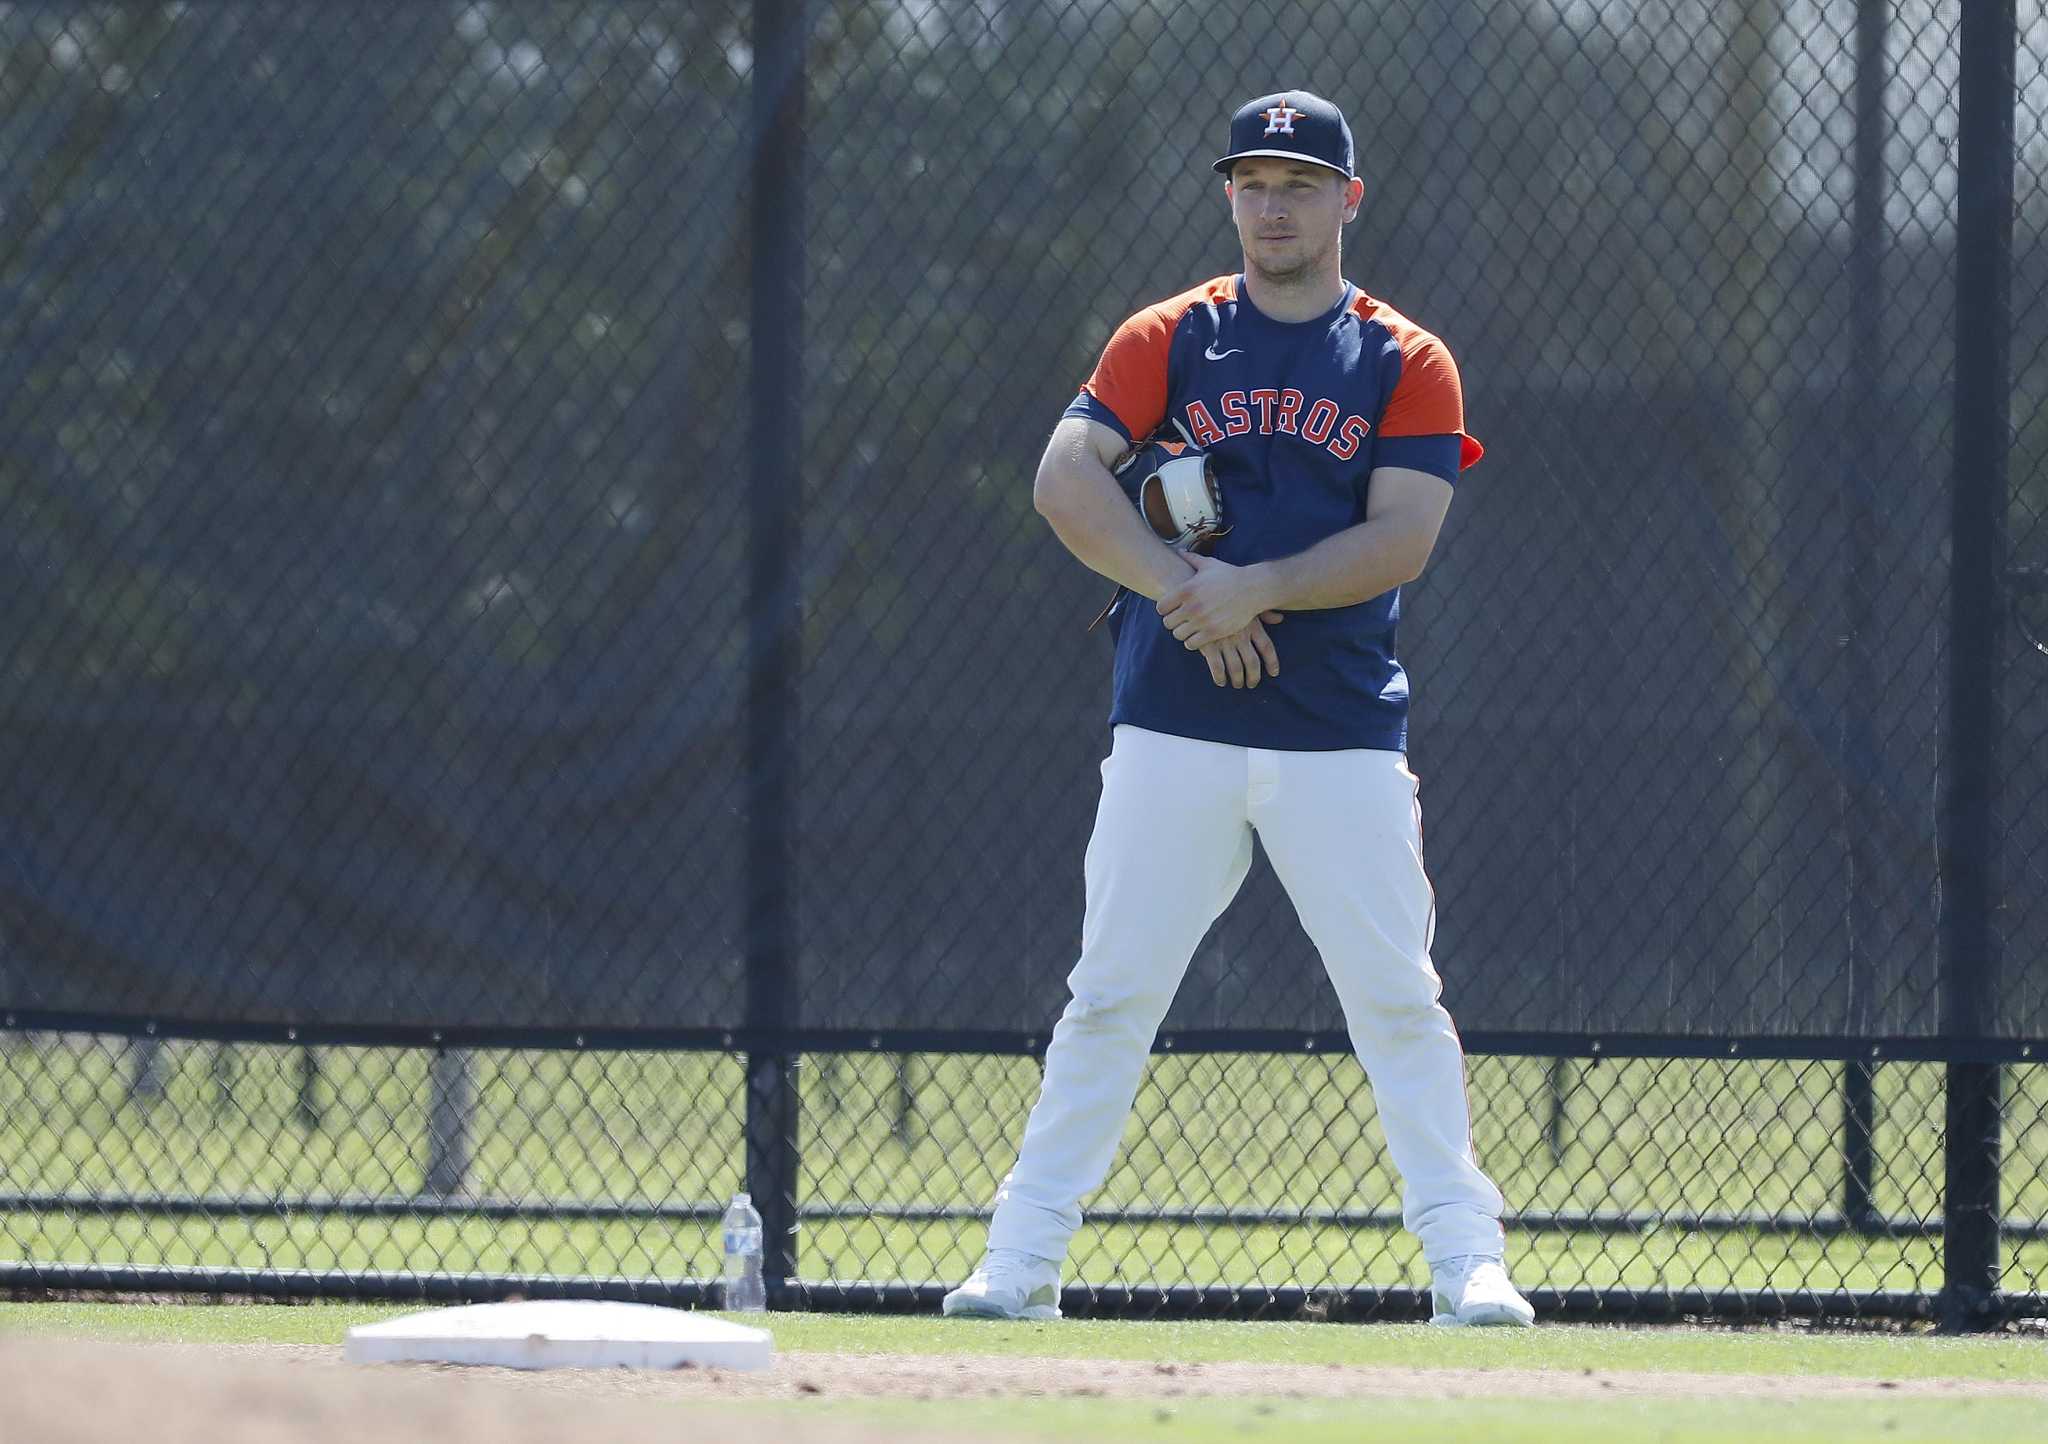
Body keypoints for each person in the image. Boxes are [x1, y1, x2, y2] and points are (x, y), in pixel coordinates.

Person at [941, 90, 1533, 1328]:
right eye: (1253, 181)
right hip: (1172, 721)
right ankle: (1021, 1258)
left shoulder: (1402, 358)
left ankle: (1466, 1260)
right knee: (1110, 992)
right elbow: (1062, 479)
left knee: (1393, 995)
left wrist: (1253, 588)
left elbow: (1404, 538)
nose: (1272, 204)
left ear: (1346, 201)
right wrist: (1181, 591)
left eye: (1299, 183)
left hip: (1337, 727)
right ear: (1227, 195)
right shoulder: (1166, 335)